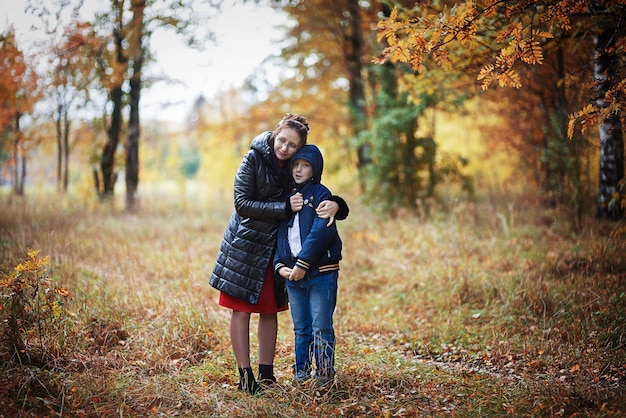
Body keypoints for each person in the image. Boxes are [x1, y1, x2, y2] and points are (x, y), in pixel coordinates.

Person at [209, 114, 349, 395]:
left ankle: (267, 373)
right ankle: (245, 375)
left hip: (275, 248)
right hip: (246, 245)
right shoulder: (254, 158)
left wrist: (336, 204)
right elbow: (242, 203)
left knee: (269, 309)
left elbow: (315, 192)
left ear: (301, 149)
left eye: (292, 145)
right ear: (275, 134)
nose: (284, 147)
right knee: (242, 310)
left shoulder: (293, 168)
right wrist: (284, 208)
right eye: (282, 140)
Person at [274, 144, 342, 387]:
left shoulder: (321, 194)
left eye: (305, 165)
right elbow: (280, 235)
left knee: (321, 326)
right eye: (296, 165)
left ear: (315, 170)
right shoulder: (287, 196)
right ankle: (300, 374)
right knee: (301, 329)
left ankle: (324, 377)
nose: (299, 170)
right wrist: (280, 265)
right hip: (292, 276)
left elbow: (321, 232)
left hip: (321, 274)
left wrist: (303, 263)